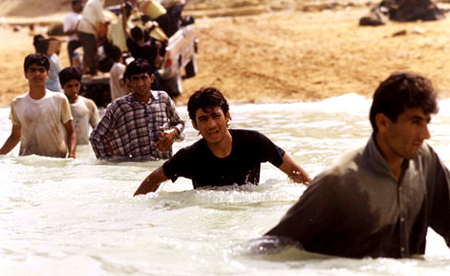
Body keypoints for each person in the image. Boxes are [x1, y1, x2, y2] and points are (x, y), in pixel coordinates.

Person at [264, 71, 450, 259]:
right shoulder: (339, 181)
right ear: (383, 122)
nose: (425, 134)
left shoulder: (426, 160)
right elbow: (270, 249)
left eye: (426, 122)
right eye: (415, 122)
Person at [133, 87, 311, 196]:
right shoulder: (190, 157)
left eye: (216, 116)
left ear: (227, 116)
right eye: (203, 119)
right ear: (195, 125)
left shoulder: (254, 142)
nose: (211, 124)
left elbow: (295, 172)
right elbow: (153, 180)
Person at [89, 58, 185, 161]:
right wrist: (110, 162)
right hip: (133, 172)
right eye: (135, 79)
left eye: (144, 78)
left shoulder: (163, 98)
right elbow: (96, 137)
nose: (140, 83)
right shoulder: (120, 106)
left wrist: (173, 133)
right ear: (130, 82)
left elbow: (180, 123)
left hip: (163, 168)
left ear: (152, 78)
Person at [0, 53, 76, 158]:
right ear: (26, 74)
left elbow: (71, 132)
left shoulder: (59, 99)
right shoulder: (17, 102)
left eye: (41, 70)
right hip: (27, 162)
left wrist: (72, 156)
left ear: (48, 74)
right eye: (32, 70)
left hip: (56, 160)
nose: (37, 74)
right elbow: (15, 136)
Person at [78, 0, 112, 75]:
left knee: (88, 50)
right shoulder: (96, 1)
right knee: (92, 51)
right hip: (86, 28)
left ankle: (85, 70)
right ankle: (94, 72)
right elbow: (101, 17)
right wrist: (108, 22)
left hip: (89, 28)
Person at [59, 66, 100, 145]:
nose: (74, 90)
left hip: (84, 150)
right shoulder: (58, 105)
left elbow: (98, 130)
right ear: (62, 86)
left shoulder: (88, 104)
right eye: (69, 86)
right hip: (65, 153)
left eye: (76, 85)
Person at [63, 0, 83, 65]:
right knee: (75, 65)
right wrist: (76, 30)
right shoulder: (69, 17)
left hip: (82, 43)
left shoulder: (81, 16)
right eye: (79, 5)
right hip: (73, 44)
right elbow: (66, 32)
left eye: (82, 4)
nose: (81, 6)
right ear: (74, 6)